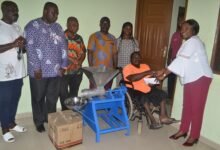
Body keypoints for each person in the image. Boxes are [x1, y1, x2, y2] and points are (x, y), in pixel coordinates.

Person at [157, 19, 213, 146]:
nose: (182, 30)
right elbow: (180, 61)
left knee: (196, 108)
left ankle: (194, 136)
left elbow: (180, 61)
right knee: (187, 106)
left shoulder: (194, 41)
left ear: (194, 31)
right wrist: (164, 71)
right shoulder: (188, 43)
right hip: (192, 78)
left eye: (186, 28)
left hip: (201, 78)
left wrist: (164, 73)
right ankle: (183, 130)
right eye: (182, 28)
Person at [24, 2, 68, 133]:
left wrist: (64, 66)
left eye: (57, 13)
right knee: (38, 97)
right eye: (53, 12)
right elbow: (30, 48)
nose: (56, 16)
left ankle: (50, 118)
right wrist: (36, 68)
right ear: (45, 11)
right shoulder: (32, 26)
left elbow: (64, 46)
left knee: (52, 98)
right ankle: (38, 121)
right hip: (39, 71)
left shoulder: (58, 28)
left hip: (55, 71)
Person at [123, 52, 176, 129]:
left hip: (147, 88)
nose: (136, 59)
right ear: (130, 59)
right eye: (134, 57)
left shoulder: (145, 66)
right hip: (135, 90)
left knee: (162, 94)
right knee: (144, 98)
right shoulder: (127, 68)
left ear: (140, 58)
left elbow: (151, 79)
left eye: (138, 57)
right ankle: (152, 121)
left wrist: (157, 79)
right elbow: (132, 79)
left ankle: (163, 116)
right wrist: (147, 72)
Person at [0, 1, 27, 143]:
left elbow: (22, 49)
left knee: (14, 100)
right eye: (12, 11)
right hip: (4, 75)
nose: (16, 13)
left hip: (18, 72)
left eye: (17, 10)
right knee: (4, 102)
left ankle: (11, 123)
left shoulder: (17, 27)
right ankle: (4, 129)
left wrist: (23, 45)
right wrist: (13, 44)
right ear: (4, 10)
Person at [59, 17, 86, 111]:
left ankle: (72, 112)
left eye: (77, 24)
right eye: (73, 24)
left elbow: (83, 52)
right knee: (63, 93)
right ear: (67, 25)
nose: (76, 26)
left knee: (74, 93)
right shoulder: (61, 36)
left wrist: (80, 62)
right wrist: (72, 60)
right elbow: (58, 52)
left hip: (77, 72)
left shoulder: (79, 38)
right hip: (64, 71)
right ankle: (65, 112)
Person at [87, 16, 117, 90]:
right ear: (100, 24)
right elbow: (90, 52)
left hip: (109, 71)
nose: (105, 25)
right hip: (96, 70)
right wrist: (91, 68)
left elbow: (115, 54)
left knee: (106, 91)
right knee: (94, 91)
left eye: (107, 23)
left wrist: (115, 68)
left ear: (109, 25)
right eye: (103, 23)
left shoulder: (113, 38)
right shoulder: (94, 36)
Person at [167, 16, 184, 100]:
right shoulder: (175, 34)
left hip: (181, 61)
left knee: (179, 80)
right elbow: (171, 48)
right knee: (171, 78)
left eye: (182, 21)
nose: (180, 23)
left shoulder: (185, 36)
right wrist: (168, 59)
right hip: (174, 60)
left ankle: (176, 97)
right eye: (179, 21)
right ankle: (170, 97)